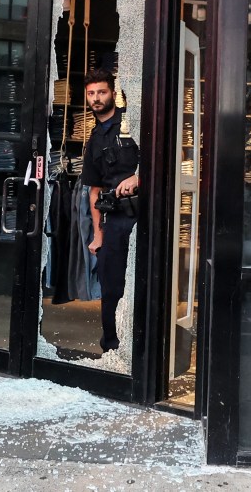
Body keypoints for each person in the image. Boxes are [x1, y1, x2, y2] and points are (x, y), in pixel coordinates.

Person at [81, 69, 139, 353]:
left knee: (139, 285)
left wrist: (139, 177)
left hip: (141, 218)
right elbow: (93, 191)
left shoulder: (132, 122)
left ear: (113, 94)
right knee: (111, 286)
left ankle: (137, 350)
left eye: (101, 92)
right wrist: (97, 234)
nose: (96, 98)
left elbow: (168, 157)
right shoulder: (93, 139)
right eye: (91, 93)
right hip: (113, 220)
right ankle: (112, 348)